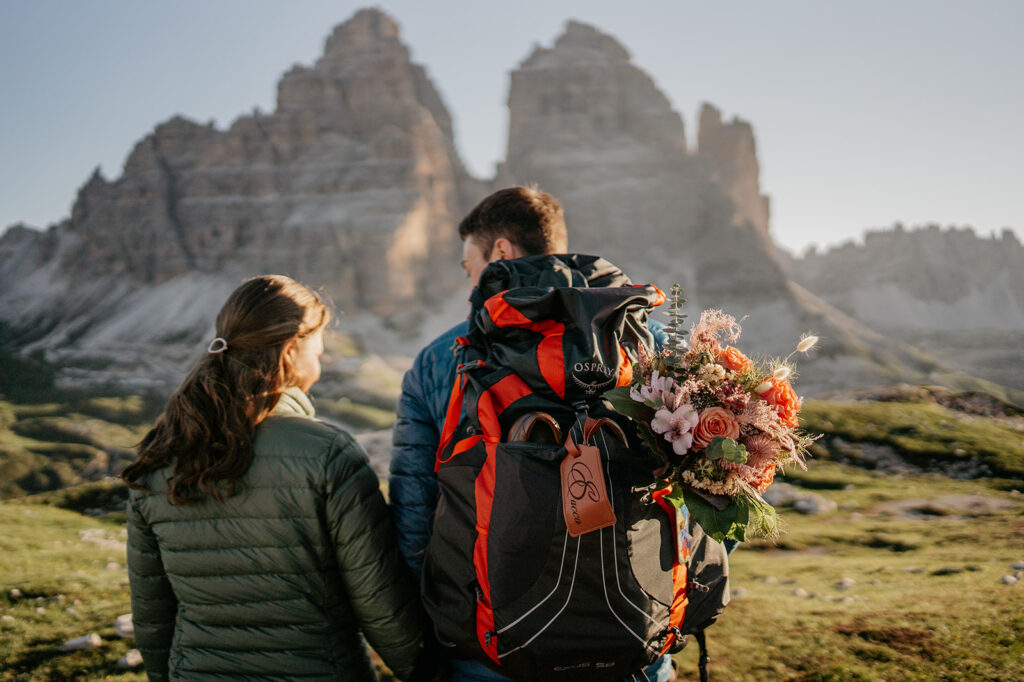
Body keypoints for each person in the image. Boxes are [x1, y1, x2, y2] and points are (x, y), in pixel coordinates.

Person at [389, 187, 673, 682]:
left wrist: (443, 626)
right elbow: (717, 483)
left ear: (500, 251)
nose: (469, 280)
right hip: (634, 639)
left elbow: (416, 516)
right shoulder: (650, 342)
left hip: (492, 651)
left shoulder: (442, 359)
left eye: (467, 265)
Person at [122, 275, 424, 682]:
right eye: (318, 353)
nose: (318, 367)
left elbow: (153, 614)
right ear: (291, 349)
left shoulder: (160, 457)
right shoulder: (329, 454)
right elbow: (380, 604)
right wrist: (431, 672)